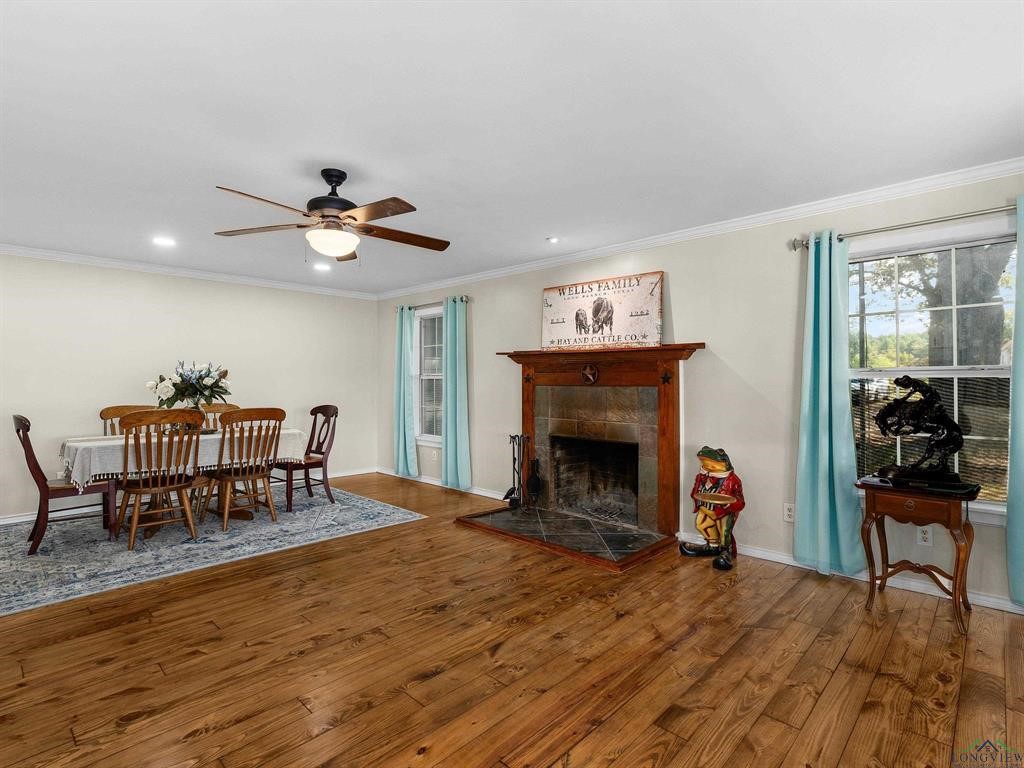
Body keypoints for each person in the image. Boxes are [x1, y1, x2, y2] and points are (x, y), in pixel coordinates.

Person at [679, 446, 745, 570]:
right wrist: (697, 496)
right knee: (701, 524)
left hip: (723, 511)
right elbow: (695, 490)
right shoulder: (702, 476)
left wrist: (729, 504)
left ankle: (726, 551)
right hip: (706, 508)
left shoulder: (733, 480)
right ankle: (713, 546)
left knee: (724, 532)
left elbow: (741, 502)